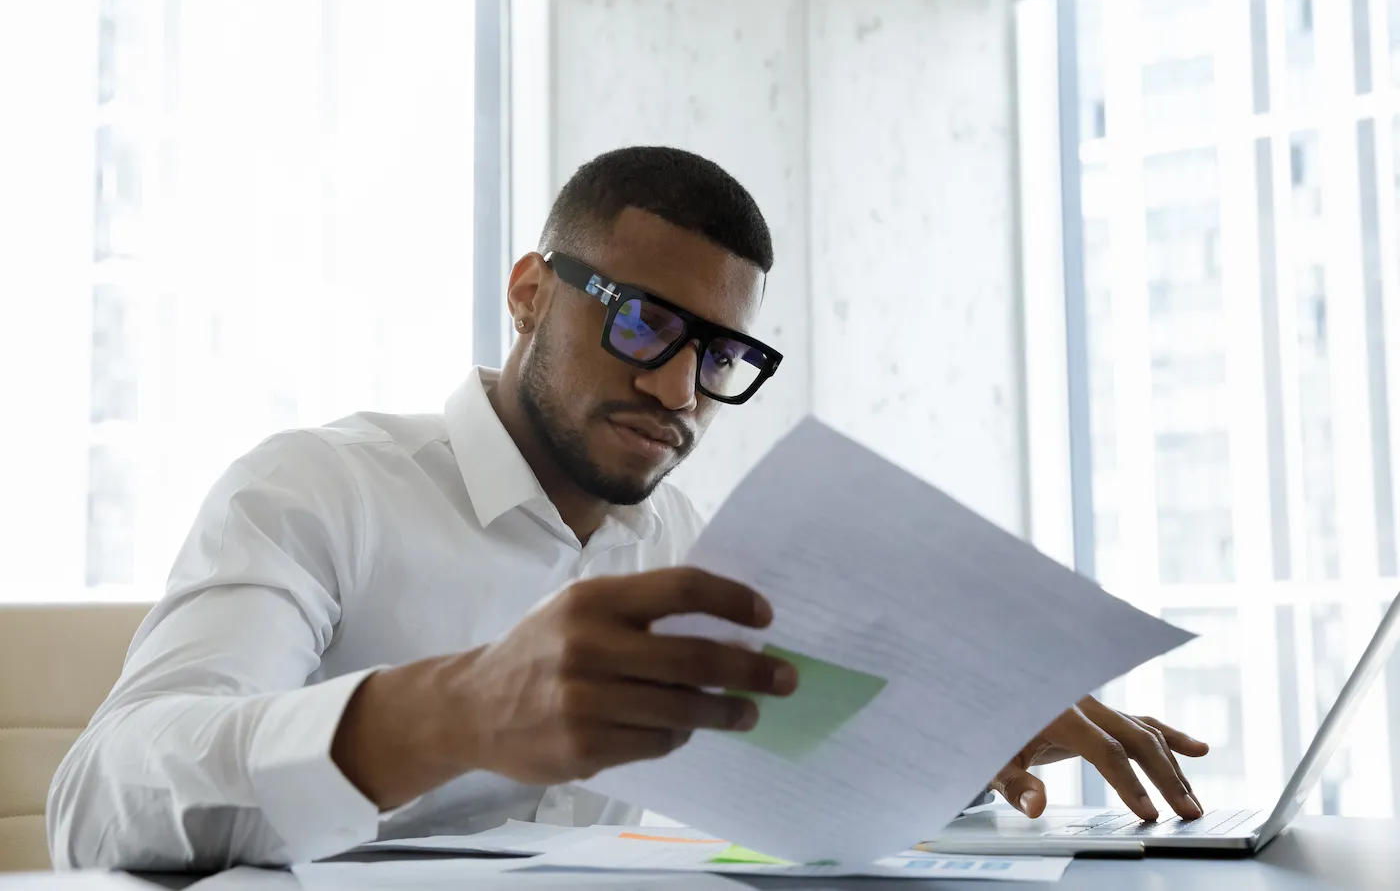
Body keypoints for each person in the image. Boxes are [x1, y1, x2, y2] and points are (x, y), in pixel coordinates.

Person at [47, 146, 1209, 871]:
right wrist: (455, 710)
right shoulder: (316, 489)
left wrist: (958, 739)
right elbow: (98, 807)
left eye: (719, 355)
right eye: (644, 323)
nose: (676, 389)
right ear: (528, 294)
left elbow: (777, 766)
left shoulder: (686, 542)